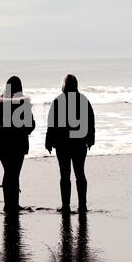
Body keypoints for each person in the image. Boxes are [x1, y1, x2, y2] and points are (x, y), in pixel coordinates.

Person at [45, 74, 95, 213]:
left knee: (65, 175)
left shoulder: (58, 101)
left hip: (62, 144)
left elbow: (51, 124)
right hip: (79, 144)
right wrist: (91, 139)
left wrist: (49, 141)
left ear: (64, 85)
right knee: (80, 174)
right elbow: (91, 122)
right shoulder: (83, 100)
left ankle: (65, 206)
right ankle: (82, 205)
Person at [0, 76, 35, 212]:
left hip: (1, 145)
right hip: (18, 145)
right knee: (13, 174)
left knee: (9, 172)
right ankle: (11, 205)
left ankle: (10, 204)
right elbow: (30, 126)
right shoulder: (22, 103)